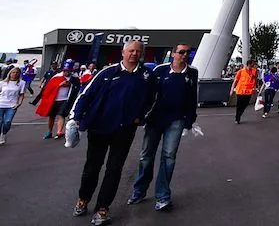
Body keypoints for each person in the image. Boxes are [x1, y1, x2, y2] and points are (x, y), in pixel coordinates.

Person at [69, 40, 155, 226]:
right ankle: (83, 199)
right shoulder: (107, 73)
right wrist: (75, 117)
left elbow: (152, 100)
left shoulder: (147, 76)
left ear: (141, 54)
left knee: (114, 170)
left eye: (138, 51)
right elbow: (86, 94)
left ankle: (102, 209)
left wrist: (140, 117)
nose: (134, 54)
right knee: (92, 168)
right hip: (99, 128)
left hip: (124, 131)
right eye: (130, 50)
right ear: (123, 52)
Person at [128, 43, 198, 212]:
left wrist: (190, 119)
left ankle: (162, 195)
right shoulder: (160, 70)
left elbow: (192, 96)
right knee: (146, 155)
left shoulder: (192, 73)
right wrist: (141, 114)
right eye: (181, 52)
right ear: (173, 54)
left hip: (176, 119)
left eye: (188, 52)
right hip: (155, 118)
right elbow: (148, 93)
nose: (185, 55)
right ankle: (139, 190)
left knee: (169, 157)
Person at [36, 59, 79, 140]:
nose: (67, 72)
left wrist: (71, 85)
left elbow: (77, 89)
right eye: (66, 70)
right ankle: (49, 131)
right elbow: (48, 88)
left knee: (61, 115)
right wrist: (59, 85)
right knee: (52, 116)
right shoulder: (56, 77)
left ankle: (59, 131)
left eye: (69, 71)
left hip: (65, 100)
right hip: (54, 100)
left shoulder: (74, 79)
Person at [0, 65, 26, 145]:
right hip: (1, 104)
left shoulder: (21, 83)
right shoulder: (2, 83)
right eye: (13, 72)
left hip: (12, 105)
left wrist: (19, 103)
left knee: (7, 122)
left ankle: (3, 134)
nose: (14, 74)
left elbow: (21, 95)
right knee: (0, 122)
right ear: (10, 73)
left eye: (17, 73)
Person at [230, 59, 258, 124]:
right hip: (240, 91)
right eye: (253, 64)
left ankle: (239, 114)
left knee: (245, 104)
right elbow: (235, 81)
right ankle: (237, 118)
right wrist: (232, 90)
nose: (254, 65)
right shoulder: (241, 71)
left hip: (249, 91)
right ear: (249, 64)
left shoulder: (254, 71)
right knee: (239, 105)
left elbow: (255, 80)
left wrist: (255, 88)